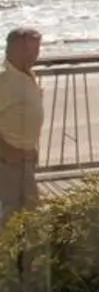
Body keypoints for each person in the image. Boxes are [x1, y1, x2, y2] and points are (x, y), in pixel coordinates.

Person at [0, 28, 42, 226]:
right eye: (30, 51)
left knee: (29, 208)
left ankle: (20, 253)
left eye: (37, 50)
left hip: (25, 155)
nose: (35, 56)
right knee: (12, 211)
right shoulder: (3, 80)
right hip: (8, 158)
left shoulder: (27, 75)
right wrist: (6, 149)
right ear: (15, 50)